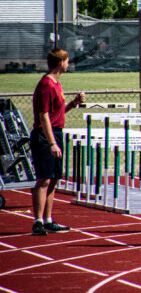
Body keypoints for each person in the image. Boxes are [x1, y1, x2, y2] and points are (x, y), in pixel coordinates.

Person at [30, 49, 84, 236]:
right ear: (60, 62)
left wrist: (74, 103)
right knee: (44, 178)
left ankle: (48, 219)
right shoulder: (46, 84)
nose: (68, 64)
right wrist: (52, 142)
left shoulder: (57, 84)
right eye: (67, 61)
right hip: (45, 136)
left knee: (54, 178)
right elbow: (43, 115)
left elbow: (56, 114)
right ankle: (37, 221)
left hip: (56, 133)